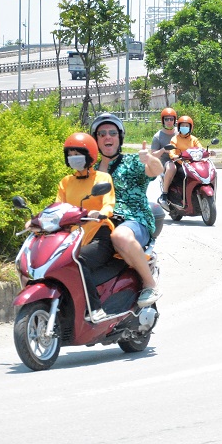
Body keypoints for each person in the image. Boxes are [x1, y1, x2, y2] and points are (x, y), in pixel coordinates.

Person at [90, 112, 162, 309]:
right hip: (100, 223)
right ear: (95, 140)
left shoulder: (132, 162)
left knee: (120, 236)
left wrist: (149, 159)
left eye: (112, 133)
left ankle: (149, 284)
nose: (107, 137)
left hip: (132, 220)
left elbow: (156, 171)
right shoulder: (91, 171)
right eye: (102, 133)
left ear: (119, 138)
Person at [54, 132, 117, 323]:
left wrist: (101, 213)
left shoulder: (103, 178)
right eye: (70, 154)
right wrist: (37, 220)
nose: (74, 158)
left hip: (99, 234)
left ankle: (95, 309)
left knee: (78, 261)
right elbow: (58, 208)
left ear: (90, 154)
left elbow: (108, 204)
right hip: (74, 238)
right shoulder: (66, 182)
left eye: (78, 153)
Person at [159, 115, 203, 206]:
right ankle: (165, 194)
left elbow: (200, 148)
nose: (185, 128)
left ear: (191, 127)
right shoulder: (175, 139)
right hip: (180, 163)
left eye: (187, 126)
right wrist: (174, 155)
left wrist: (207, 152)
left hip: (192, 164)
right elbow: (172, 150)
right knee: (183, 174)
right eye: (183, 126)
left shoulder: (194, 139)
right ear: (179, 127)